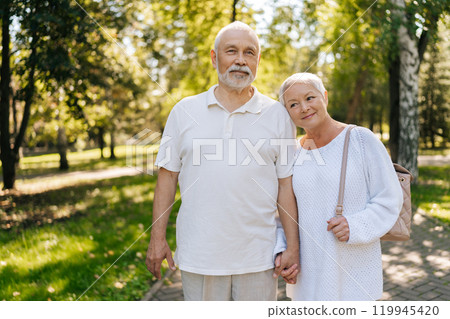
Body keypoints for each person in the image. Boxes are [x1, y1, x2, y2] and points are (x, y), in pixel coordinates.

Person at [145, 21, 299, 301]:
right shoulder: (184, 111)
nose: (241, 60)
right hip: (200, 256)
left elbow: (285, 186)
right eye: (232, 51)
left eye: (249, 53)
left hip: (258, 257)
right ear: (215, 58)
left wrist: (293, 246)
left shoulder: (278, 115)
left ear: (258, 61)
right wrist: (157, 239)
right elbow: (167, 178)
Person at [276, 72, 403, 300]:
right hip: (308, 276)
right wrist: (283, 250)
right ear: (286, 111)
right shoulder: (292, 152)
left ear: (324, 96)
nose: (304, 108)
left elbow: (389, 198)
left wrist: (354, 225)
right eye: (293, 104)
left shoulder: (361, 140)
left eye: (310, 98)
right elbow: (283, 211)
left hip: (354, 272)